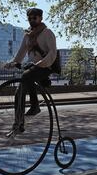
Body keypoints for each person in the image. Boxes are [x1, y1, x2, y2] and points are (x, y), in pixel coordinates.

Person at [4, 8, 57, 136]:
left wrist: (41, 63)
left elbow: (52, 53)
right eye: (30, 18)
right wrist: (12, 63)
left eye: (35, 18)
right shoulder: (27, 35)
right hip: (32, 68)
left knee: (27, 75)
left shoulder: (47, 33)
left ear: (40, 18)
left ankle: (35, 105)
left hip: (45, 67)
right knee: (19, 93)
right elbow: (21, 53)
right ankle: (18, 124)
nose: (32, 20)